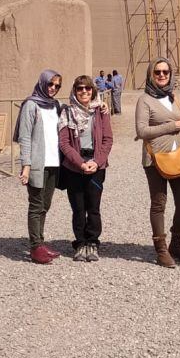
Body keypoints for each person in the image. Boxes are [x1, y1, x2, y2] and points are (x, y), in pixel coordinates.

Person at [135, 57, 180, 267]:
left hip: (178, 159)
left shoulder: (176, 98)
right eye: (157, 72)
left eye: (165, 72)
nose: (161, 75)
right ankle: (161, 249)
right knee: (159, 203)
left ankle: (176, 244)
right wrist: (169, 127)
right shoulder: (145, 99)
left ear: (171, 74)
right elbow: (141, 131)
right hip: (155, 160)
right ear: (151, 74)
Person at [58, 75, 113, 262]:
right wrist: (80, 163)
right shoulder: (67, 113)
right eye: (80, 88)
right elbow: (64, 143)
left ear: (93, 90)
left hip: (96, 165)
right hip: (75, 167)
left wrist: (96, 162)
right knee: (78, 208)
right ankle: (80, 242)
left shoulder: (100, 111)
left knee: (94, 207)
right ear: (74, 91)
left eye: (88, 89)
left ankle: (93, 242)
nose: (84, 92)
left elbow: (107, 139)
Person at [15, 69, 64, 264]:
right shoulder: (31, 105)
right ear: (42, 83)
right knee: (36, 205)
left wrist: (99, 104)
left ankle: (40, 243)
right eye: (50, 84)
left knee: (46, 204)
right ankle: (35, 247)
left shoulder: (55, 105)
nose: (53, 88)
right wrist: (25, 165)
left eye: (57, 86)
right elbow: (24, 137)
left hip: (54, 163)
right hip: (37, 163)